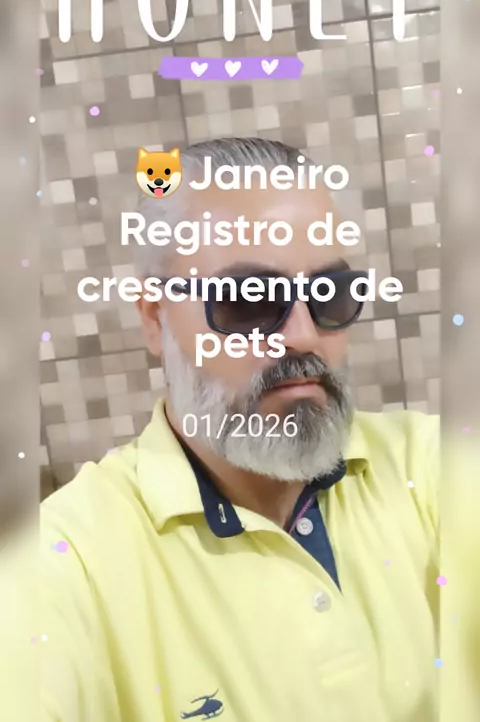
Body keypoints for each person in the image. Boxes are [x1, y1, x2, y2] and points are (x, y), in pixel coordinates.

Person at [30, 138, 441, 720]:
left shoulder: (429, 469)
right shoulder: (70, 561)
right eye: (249, 301)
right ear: (155, 320)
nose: (303, 336)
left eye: (328, 294)